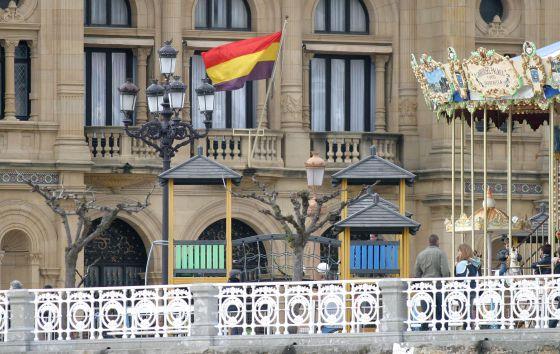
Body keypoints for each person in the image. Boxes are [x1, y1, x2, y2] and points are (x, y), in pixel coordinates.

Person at [413, 234, 450, 330]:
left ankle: (424, 329)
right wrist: (446, 281)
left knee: (426, 310)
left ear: (429, 242)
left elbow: (416, 273)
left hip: (425, 286)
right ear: (437, 241)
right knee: (440, 309)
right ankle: (441, 329)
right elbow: (445, 271)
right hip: (438, 286)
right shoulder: (441, 253)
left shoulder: (420, 254)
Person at [455, 244, 481, 329]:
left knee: (464, 309)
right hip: (473, 288)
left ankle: (467, 325)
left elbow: (459, 277)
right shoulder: (474, 263)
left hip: (463, 289)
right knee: (469, 307)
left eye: (459, 251)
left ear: (462, 252)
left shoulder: (461, 264)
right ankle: (470, 324)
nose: (458, 253)